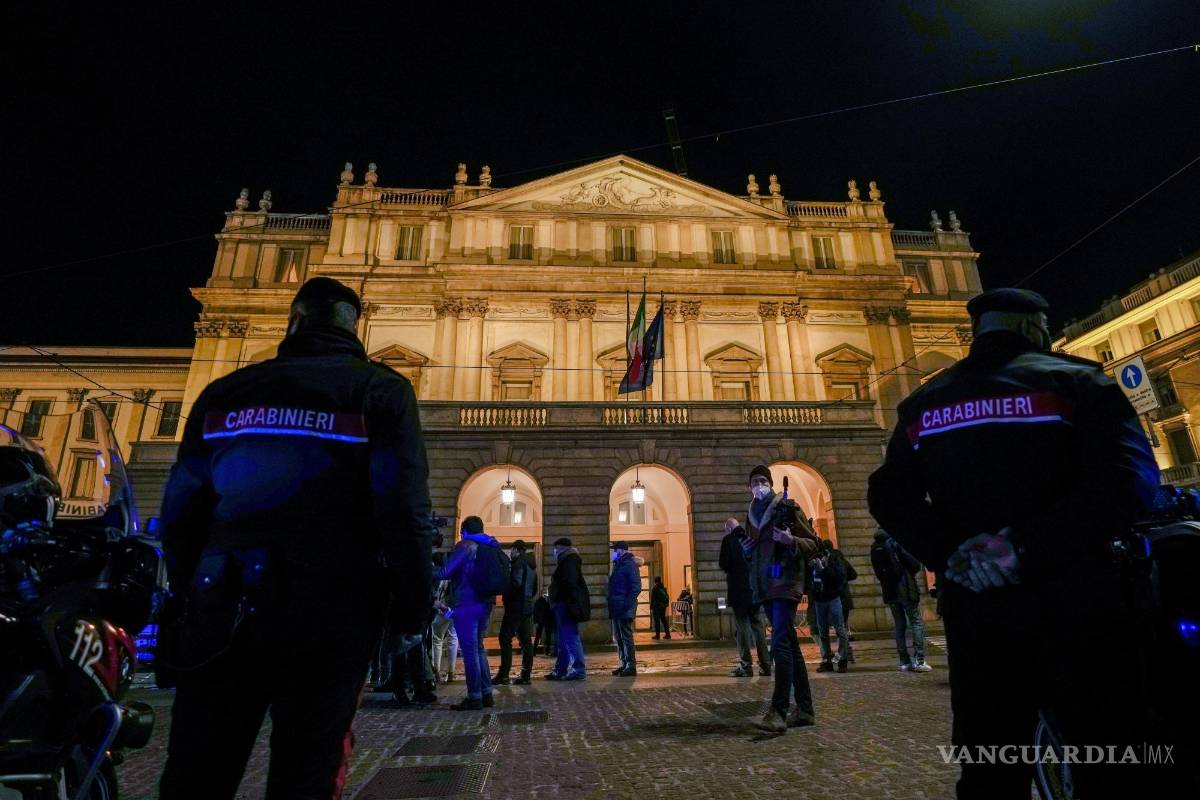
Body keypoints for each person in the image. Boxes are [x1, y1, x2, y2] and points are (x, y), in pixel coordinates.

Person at [868, 288, 1161, 798]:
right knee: (1105, 755)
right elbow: (1132, 481)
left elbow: (887, 495)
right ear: (1033, 327)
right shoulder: (1077, 381)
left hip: (978, 613)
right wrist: (1021, 547)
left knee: (989, 765)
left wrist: (953, 553)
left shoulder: (924, 404)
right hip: (1077, 601)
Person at [156, 277, 435, 799]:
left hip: (225, 605)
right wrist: (412, 608)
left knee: (198, 770)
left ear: (295, 321)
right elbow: (404, 511)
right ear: (356, 325)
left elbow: (180, 512)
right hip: (331, 608)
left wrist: (190, 591)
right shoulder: (379, 389)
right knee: (307, 770)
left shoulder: (225, 392)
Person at [743, 465, 821, 733]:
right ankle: (806, 709)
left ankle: (778, 710)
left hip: (786, 582)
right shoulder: (751, 514)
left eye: (763, 480)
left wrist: (791, 541)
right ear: (749, 487)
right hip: (765, 585)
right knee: (788, 644)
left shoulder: (787, 507)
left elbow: (813, 543)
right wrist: (746, 551)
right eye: (755, 481)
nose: (759, 484)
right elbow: (754, 553)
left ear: (772, 483)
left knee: (779, 645)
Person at [438, 515, 502, 710]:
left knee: (469, 652)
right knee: (479, 648)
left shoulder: (465, 545)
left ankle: (474, 696)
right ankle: (486, 693)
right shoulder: (491, 545)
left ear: (464, 531)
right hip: (486, 602)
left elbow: (446, 572)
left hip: (467, 602)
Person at [870, 528, 931, 672]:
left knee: (899, 625)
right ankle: (919, 660)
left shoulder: (875, 547)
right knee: (916, 622)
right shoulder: (896, 542)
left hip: (889, 591)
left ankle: (904, 661)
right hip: (905, 588)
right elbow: (914, 564)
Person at [719, 518, 769, 677]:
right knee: (758, 626)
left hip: (738, 591)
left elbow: (723, 564)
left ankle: (746, 666)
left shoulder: (729, 540)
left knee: (742, 629)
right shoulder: (751, 537)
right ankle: (766, 665)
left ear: (728, 528)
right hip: (754, 590)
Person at [494, 539, 538, 686]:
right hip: (527, 605)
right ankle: (526, 675)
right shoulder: (531, 565)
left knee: (504, 638)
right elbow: (534, 587)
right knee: (526, 642)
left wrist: (506, 592)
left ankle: (504, 674)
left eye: (511, 550)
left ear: (516, 550)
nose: (510, 553)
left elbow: (516, 583)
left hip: (516, 606)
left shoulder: (519, 563)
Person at [546, 537, 588, 680]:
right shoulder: (567, 560)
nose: (554, 552)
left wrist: (558, 596)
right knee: (563, 639)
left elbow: (569, 583)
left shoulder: (569, 560)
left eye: (555, 548)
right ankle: (561, 669)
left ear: (561, 548)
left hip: (566, 605)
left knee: (570, 637)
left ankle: (578, 669)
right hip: (563, 604)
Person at [809, 540, 851, 673]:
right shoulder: (814, 559)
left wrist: (824, 569)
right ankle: (827, 660)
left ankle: (842, 660)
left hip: (833, 598)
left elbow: (839, 577)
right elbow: (809, 578)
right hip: (819, 600)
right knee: (822, 632)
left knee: (840, 629)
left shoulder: (835, 559)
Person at [607, 541, 641, 676]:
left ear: (620, 551)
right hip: (616, 606)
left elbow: (636, 588)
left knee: (626, 637)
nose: (612, 553)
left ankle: (631, 666)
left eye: (614, 551)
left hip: (623, 607)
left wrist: (626, 605)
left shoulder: (628, 565)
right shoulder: (618, 565)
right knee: (618, 638)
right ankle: (624, 664)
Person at [430, 560, 459, 682]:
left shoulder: (438, 575)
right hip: (454, 609)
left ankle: (436, 671)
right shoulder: (458, 574)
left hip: (441, 610)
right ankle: (451, 672)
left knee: (437, 640)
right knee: (453, 639)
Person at [533, 589, 555, 656]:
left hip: (547, 621)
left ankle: (547, 651)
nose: (545, 594)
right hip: (541, 621)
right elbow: (535, 612)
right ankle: (534, 651)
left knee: (548, 636)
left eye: (546, 593)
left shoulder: (549, 601)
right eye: (544, 593)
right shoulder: (539, 601)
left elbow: (551, 611)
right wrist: (536, 620)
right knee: (538, 636)